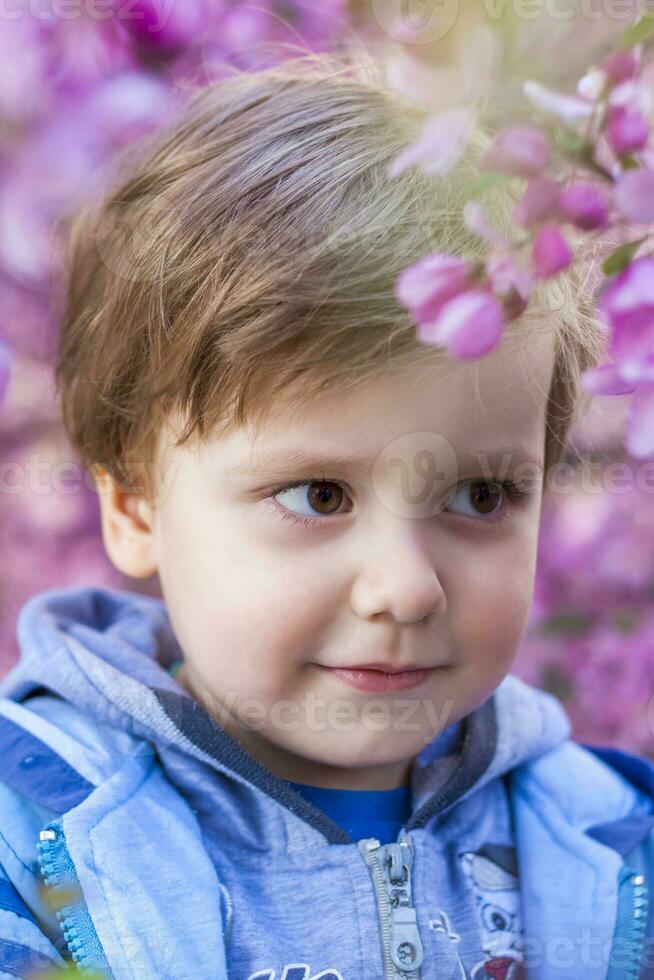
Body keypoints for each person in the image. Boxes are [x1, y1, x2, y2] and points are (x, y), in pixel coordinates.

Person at [0, 48, 653, 980]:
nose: (406, 589)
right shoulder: (32, 838)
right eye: (319, 496)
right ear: (133, 505)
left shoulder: (616, 845)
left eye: (481, 496)